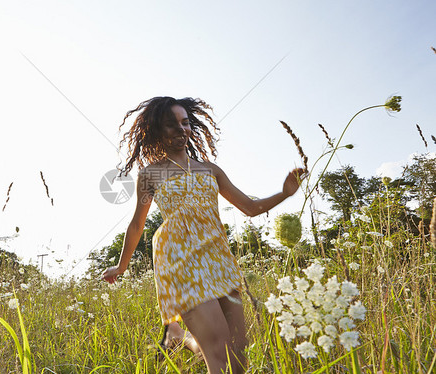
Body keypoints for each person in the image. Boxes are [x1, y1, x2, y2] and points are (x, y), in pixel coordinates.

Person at [102, 96, 304, 373]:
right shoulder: (151, 175)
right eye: (171, 124)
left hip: (219, 260)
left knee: (237, 352)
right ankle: (179, 335)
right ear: (156, 131)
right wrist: (121, 265)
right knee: (218, 350)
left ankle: (178, 337)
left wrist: (285, 193)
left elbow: (251, 207)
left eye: (185, 123)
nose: (180, 129)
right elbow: (137, 224)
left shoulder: (211, 170)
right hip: (181, 261)